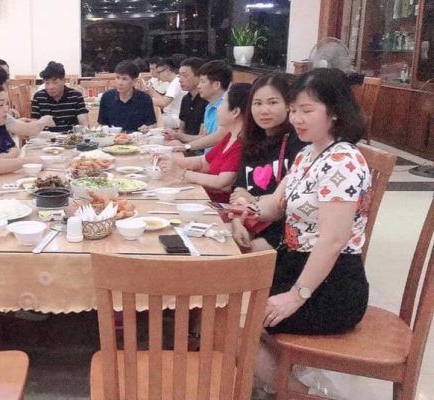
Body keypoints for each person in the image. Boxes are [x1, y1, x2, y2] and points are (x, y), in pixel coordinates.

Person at [244, 69, 371, 395]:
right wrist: (245, 208)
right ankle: (284, 380)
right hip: (294, 267)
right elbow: (275, 205)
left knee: (234, 318)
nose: (296, 119)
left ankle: (300, 394)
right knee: (227, 299)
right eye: (293, 110)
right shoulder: (307, 153)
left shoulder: (342, 161)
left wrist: (296, 296)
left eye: (307, 110)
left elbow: (333, 240)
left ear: (335, 112)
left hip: (330, 286)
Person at [230, 73, 306, 252]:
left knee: (234, 256)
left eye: (272, 102)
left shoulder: (298, 142)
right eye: (257, 103)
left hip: (284, 229)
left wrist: (252, 199)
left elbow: (289, 200)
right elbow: (239, 192)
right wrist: (237, 224)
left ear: (289, 105)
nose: (264, 110)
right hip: (251, 221)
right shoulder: (251, 142)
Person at [157, 83, 251, 203]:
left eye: (223, 103)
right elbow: (203, 162)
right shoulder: (229, 137)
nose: (218, 108)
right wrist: (169, 160)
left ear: (235, 112)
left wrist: (181, 173)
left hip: (216, 206)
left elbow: (222, 183)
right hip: (203, 197)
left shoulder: (241, 144)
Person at [0, 64, 55, 138]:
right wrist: (44, 121)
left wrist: (16, 122)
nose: (8, 81)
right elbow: (29, 130)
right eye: (6, 78)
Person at [174, 60, 233, 153]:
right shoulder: (209, 106)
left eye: (202, 82)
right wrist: (177, 138)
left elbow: (219, 137)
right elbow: (204, 137)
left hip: (215, 159)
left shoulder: (228, 106)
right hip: (206, 157)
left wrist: (185, 147)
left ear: (216, 85)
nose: (199, 86)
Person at [97, 60, 157, 133]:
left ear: (134, 81)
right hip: (112, 137)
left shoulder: (145, 99)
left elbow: (152, 124)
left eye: (124, 79)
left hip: (137, 137)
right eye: (117, 78)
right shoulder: (107, 97)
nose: (120, 83)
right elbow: (102, 124)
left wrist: (147, 128)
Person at [30, 61, 89, 132]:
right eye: (47, 83)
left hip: (70, 136)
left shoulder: (76, 96)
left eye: (55, 83)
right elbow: (34, 124)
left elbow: (84, 124)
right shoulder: (38, 97)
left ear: (64, 81)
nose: (50, 87)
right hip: (46, 137)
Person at [164, 57, 208, 143]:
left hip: (198, 147)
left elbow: (202, 138)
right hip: (186, 146)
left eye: (184, 76)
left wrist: (177, 137)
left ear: (199, 77)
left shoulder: (207, 100)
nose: (180, 80)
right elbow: (182, 129)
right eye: (179, 75)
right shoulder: (186, 99)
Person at [146, 58, 186, 129]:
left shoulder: (175, 83)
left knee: (146, 122)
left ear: (167, 71)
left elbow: (164, 102)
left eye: (159, 72)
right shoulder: (174, 82)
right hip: (170, 116)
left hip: (174, 117)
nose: (157, 75)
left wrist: (145, 101)